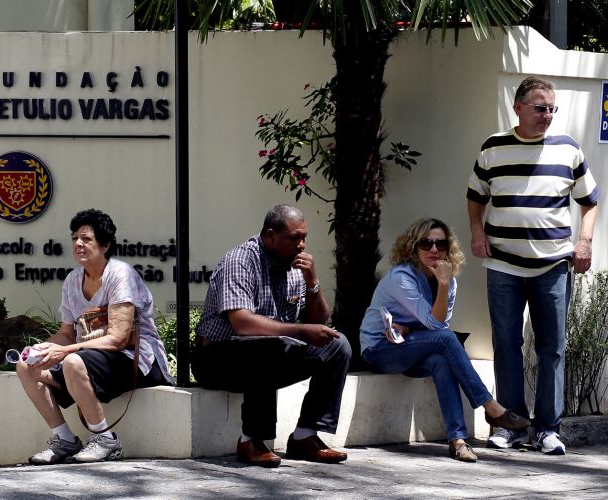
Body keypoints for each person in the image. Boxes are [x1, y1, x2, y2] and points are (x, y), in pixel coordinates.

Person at [468, 76, 600, 455]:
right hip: (503, 266)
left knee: (551, 349)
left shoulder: (568, 149)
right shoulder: (493, 147)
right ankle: (510, 426)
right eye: (540, 108)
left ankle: (547, 430)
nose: (547, 115)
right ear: (518, 108)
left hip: (553, 267)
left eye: (551, 109)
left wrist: (585, 242)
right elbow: (476, 196)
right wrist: (477, 231)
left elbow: (589, 201)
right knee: (506, 345)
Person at [359, 218, 531, 462]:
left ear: (448, 249)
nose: (433, 249)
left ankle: (457, 441)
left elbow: (437, 325)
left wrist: (410, 325)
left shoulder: (449, 280)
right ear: (413, 247)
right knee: (446, 339)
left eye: (440, 244)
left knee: (441, 360)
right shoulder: (401, 277)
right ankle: (490, 406)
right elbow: (437, 327)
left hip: (410, 349)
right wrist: (442, 285)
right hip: (380, 350)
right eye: (426, 243)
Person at [194, 204, 350, 468]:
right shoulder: (241, 261)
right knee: (265, 346)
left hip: (267, 354)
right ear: (270, 235)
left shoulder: (295, 267)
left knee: (337, 345)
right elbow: (242, 323)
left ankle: (304, 436)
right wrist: (300, 330)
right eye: (294, 238)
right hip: (216, 358)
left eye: (304, 238)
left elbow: (318, 321)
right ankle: (251, 440)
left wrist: (313, 282)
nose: (301, 245)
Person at [16, 209, 174, 464]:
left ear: (105, 244)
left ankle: (105, 440)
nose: (78, 244)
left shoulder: (120, 274)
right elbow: (66, 333)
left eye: (86, 239)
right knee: (26, 366)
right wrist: (42, 348)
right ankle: (64, 439)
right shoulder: (72, 280)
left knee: (72, 361)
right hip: (90, 359)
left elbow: (118, 339)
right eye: (75, 238)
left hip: (136, 359)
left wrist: (65, 351)